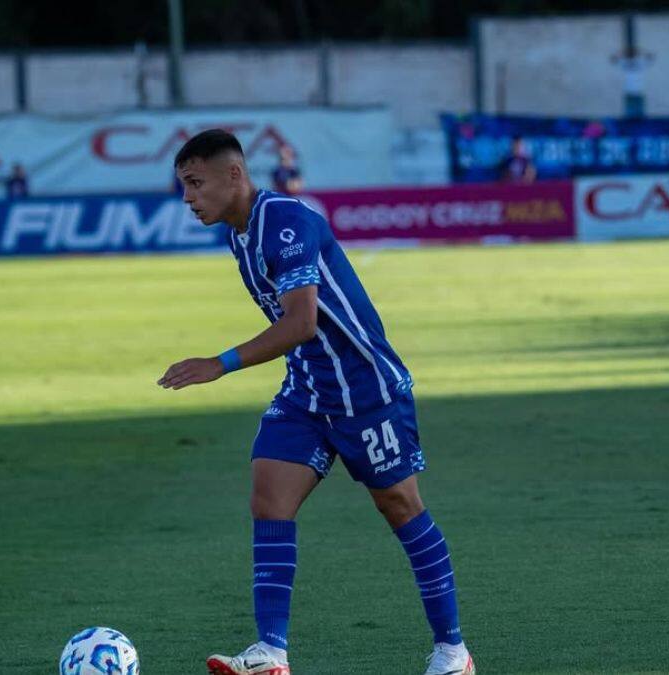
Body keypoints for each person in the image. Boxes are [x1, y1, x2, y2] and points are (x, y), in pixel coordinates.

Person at [159, 129, 474, 675]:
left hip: (366, 390)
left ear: (233, 174)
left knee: (401, 508)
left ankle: (453, 652)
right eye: (183, 185)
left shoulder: (285, 221)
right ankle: (271, 653)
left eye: (194, 182)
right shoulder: (239, 235)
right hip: (308, 390)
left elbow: (301, 323)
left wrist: (219, 363)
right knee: (269, 499)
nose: (187, 196)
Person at [611, 46, 654, 118]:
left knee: (640, 116)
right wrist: (621, 52)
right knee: (629, 116)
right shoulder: (624, 62)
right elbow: (613, 59)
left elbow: (651, 57)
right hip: (628, 92)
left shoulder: (640, 62)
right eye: (630, 53)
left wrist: (641, 51)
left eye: (633, 53)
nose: (631, 54)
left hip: (639, 92)